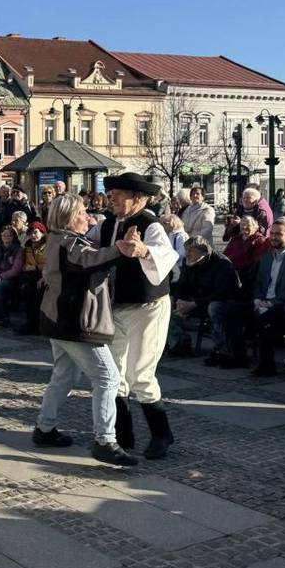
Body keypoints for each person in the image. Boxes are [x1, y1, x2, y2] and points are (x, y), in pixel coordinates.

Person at [34, 193, 139, 466]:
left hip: (60, 321)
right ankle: (105, 440)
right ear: (69, 217)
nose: (87, 216)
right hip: (73, 323)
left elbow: (89, 257)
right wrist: (120, 248)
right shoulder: (68, 243)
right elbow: (90, 260)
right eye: (82, 212)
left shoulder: (60, 240)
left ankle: (44, 428)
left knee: (64, 376)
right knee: (108, 377)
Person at [90, 172, 180, 460]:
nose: (112, 198)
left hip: (148, 307)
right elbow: (86, 244)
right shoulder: (107, 225)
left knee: (141, 372)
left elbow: (165, 256)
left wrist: (142, 251)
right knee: (115, 372)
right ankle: (123, 433)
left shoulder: (149, 224)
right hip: (116, 307)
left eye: (119, 194)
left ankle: (162, 434)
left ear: (137, 198)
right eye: (111, 193)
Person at [219, 218, 285, 376]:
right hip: (263, 303)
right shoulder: (267, 258)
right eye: (272, 233)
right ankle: (239, 356)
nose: (274, 237)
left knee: (263, 316)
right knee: (229, 310)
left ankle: (267, 364)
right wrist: (257, 299)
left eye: (279, 234)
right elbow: (259, 284)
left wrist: (272, 303)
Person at [173, 238, 241, 362]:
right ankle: (178, 344)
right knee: (168, 302)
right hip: (197, 300)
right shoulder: (189, 261)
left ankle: (220, 351)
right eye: (186, 250)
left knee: (214, 307)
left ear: (203, 253)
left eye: (191, 251)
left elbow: (222, 293)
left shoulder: (222, 263)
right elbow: (181, 285)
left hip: (221, 301)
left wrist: (194, 304)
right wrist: (178, 300)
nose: (187, 254)